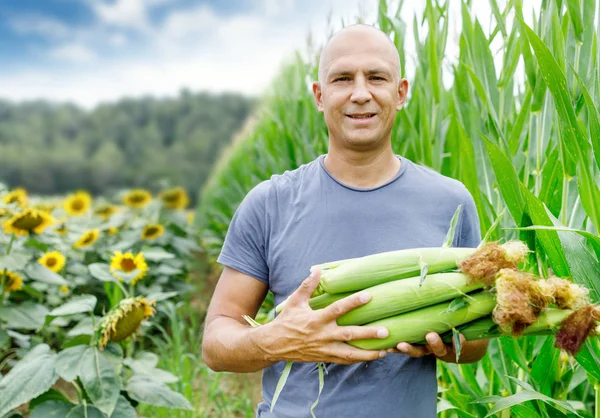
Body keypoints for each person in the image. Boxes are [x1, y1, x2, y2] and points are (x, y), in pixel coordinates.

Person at [202, 23, 489, 417]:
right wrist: (278, 340)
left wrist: (446, 342)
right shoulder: (270, 203)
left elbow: (476, 346)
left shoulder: (451, 203)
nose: (360, 94)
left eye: (375, 77)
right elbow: (216, 343)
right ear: (320, 96)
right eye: (342, 79)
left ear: (400, 92)